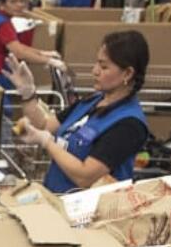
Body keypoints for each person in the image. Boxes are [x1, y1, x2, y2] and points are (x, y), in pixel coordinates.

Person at [9, 30, 150, 193]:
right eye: (97, 63)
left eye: (104, 67)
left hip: (88, 213)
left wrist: (48, 143)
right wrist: (27, 93)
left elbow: (85, 176)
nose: (95, 71)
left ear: (128, 73)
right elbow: (44, 125)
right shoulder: (92, 101)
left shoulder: (129, 124)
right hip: (55, 198)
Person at [0, 0, 65, 90]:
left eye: (22, 1)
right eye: (14, 1)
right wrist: (48, 61)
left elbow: (19, 47)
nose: (20, 5)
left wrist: (42, 53)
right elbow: (19, 52)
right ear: (2, 4)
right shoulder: (3, 24)